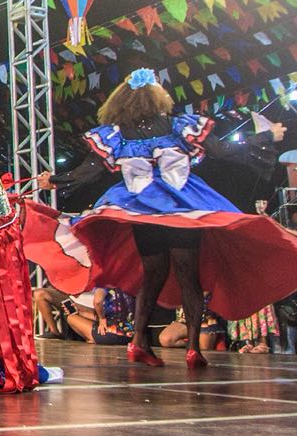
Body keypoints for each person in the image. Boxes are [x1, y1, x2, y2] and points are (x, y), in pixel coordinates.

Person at [38, 68, 295, 368]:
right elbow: (224, 151)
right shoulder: (177, 126)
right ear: (157, 96)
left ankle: (138, 343)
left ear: (122, 100)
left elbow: (89, 170)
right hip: (181, 206)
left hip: (142, 208)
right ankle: (193, 351)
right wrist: (266, 135)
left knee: (153, 275)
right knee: (189, 277)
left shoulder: (117, 134)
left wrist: (53, 180)